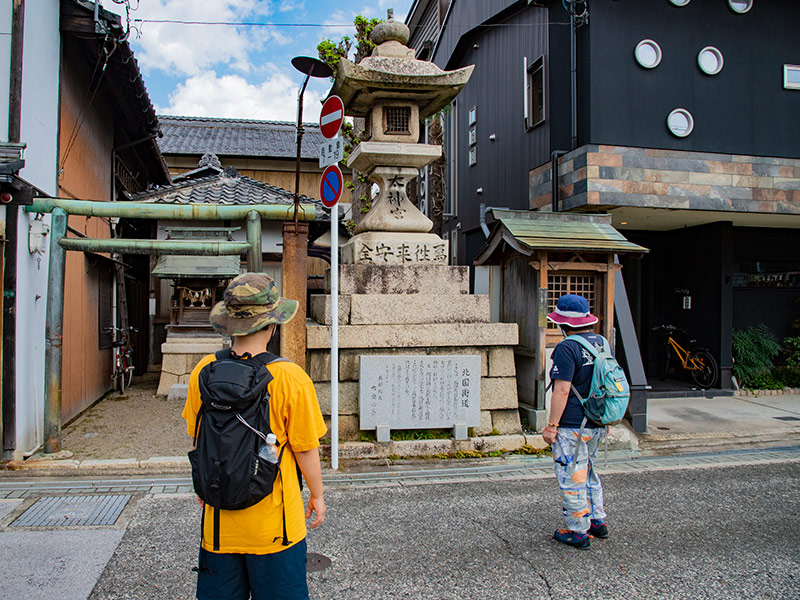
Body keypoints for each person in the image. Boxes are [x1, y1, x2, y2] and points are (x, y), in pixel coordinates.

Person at [182, 272, 327, 600]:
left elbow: (198, 438)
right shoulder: (291, 378)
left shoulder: (203, 371)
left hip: (219, 526)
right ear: (272, 324)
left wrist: (204, 482)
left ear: (228, 324)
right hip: (277, 528)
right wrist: (317, 495)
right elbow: (306, 449)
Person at [542, 294, 609, 550]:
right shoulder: (602, 343)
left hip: (572, 424)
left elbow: (562, 390)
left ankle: (577, 529)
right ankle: (597, 520)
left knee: (571, 474)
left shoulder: (567, 347)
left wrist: (552, 426)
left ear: (563, 323)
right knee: (589, 470)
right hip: (597, 421)